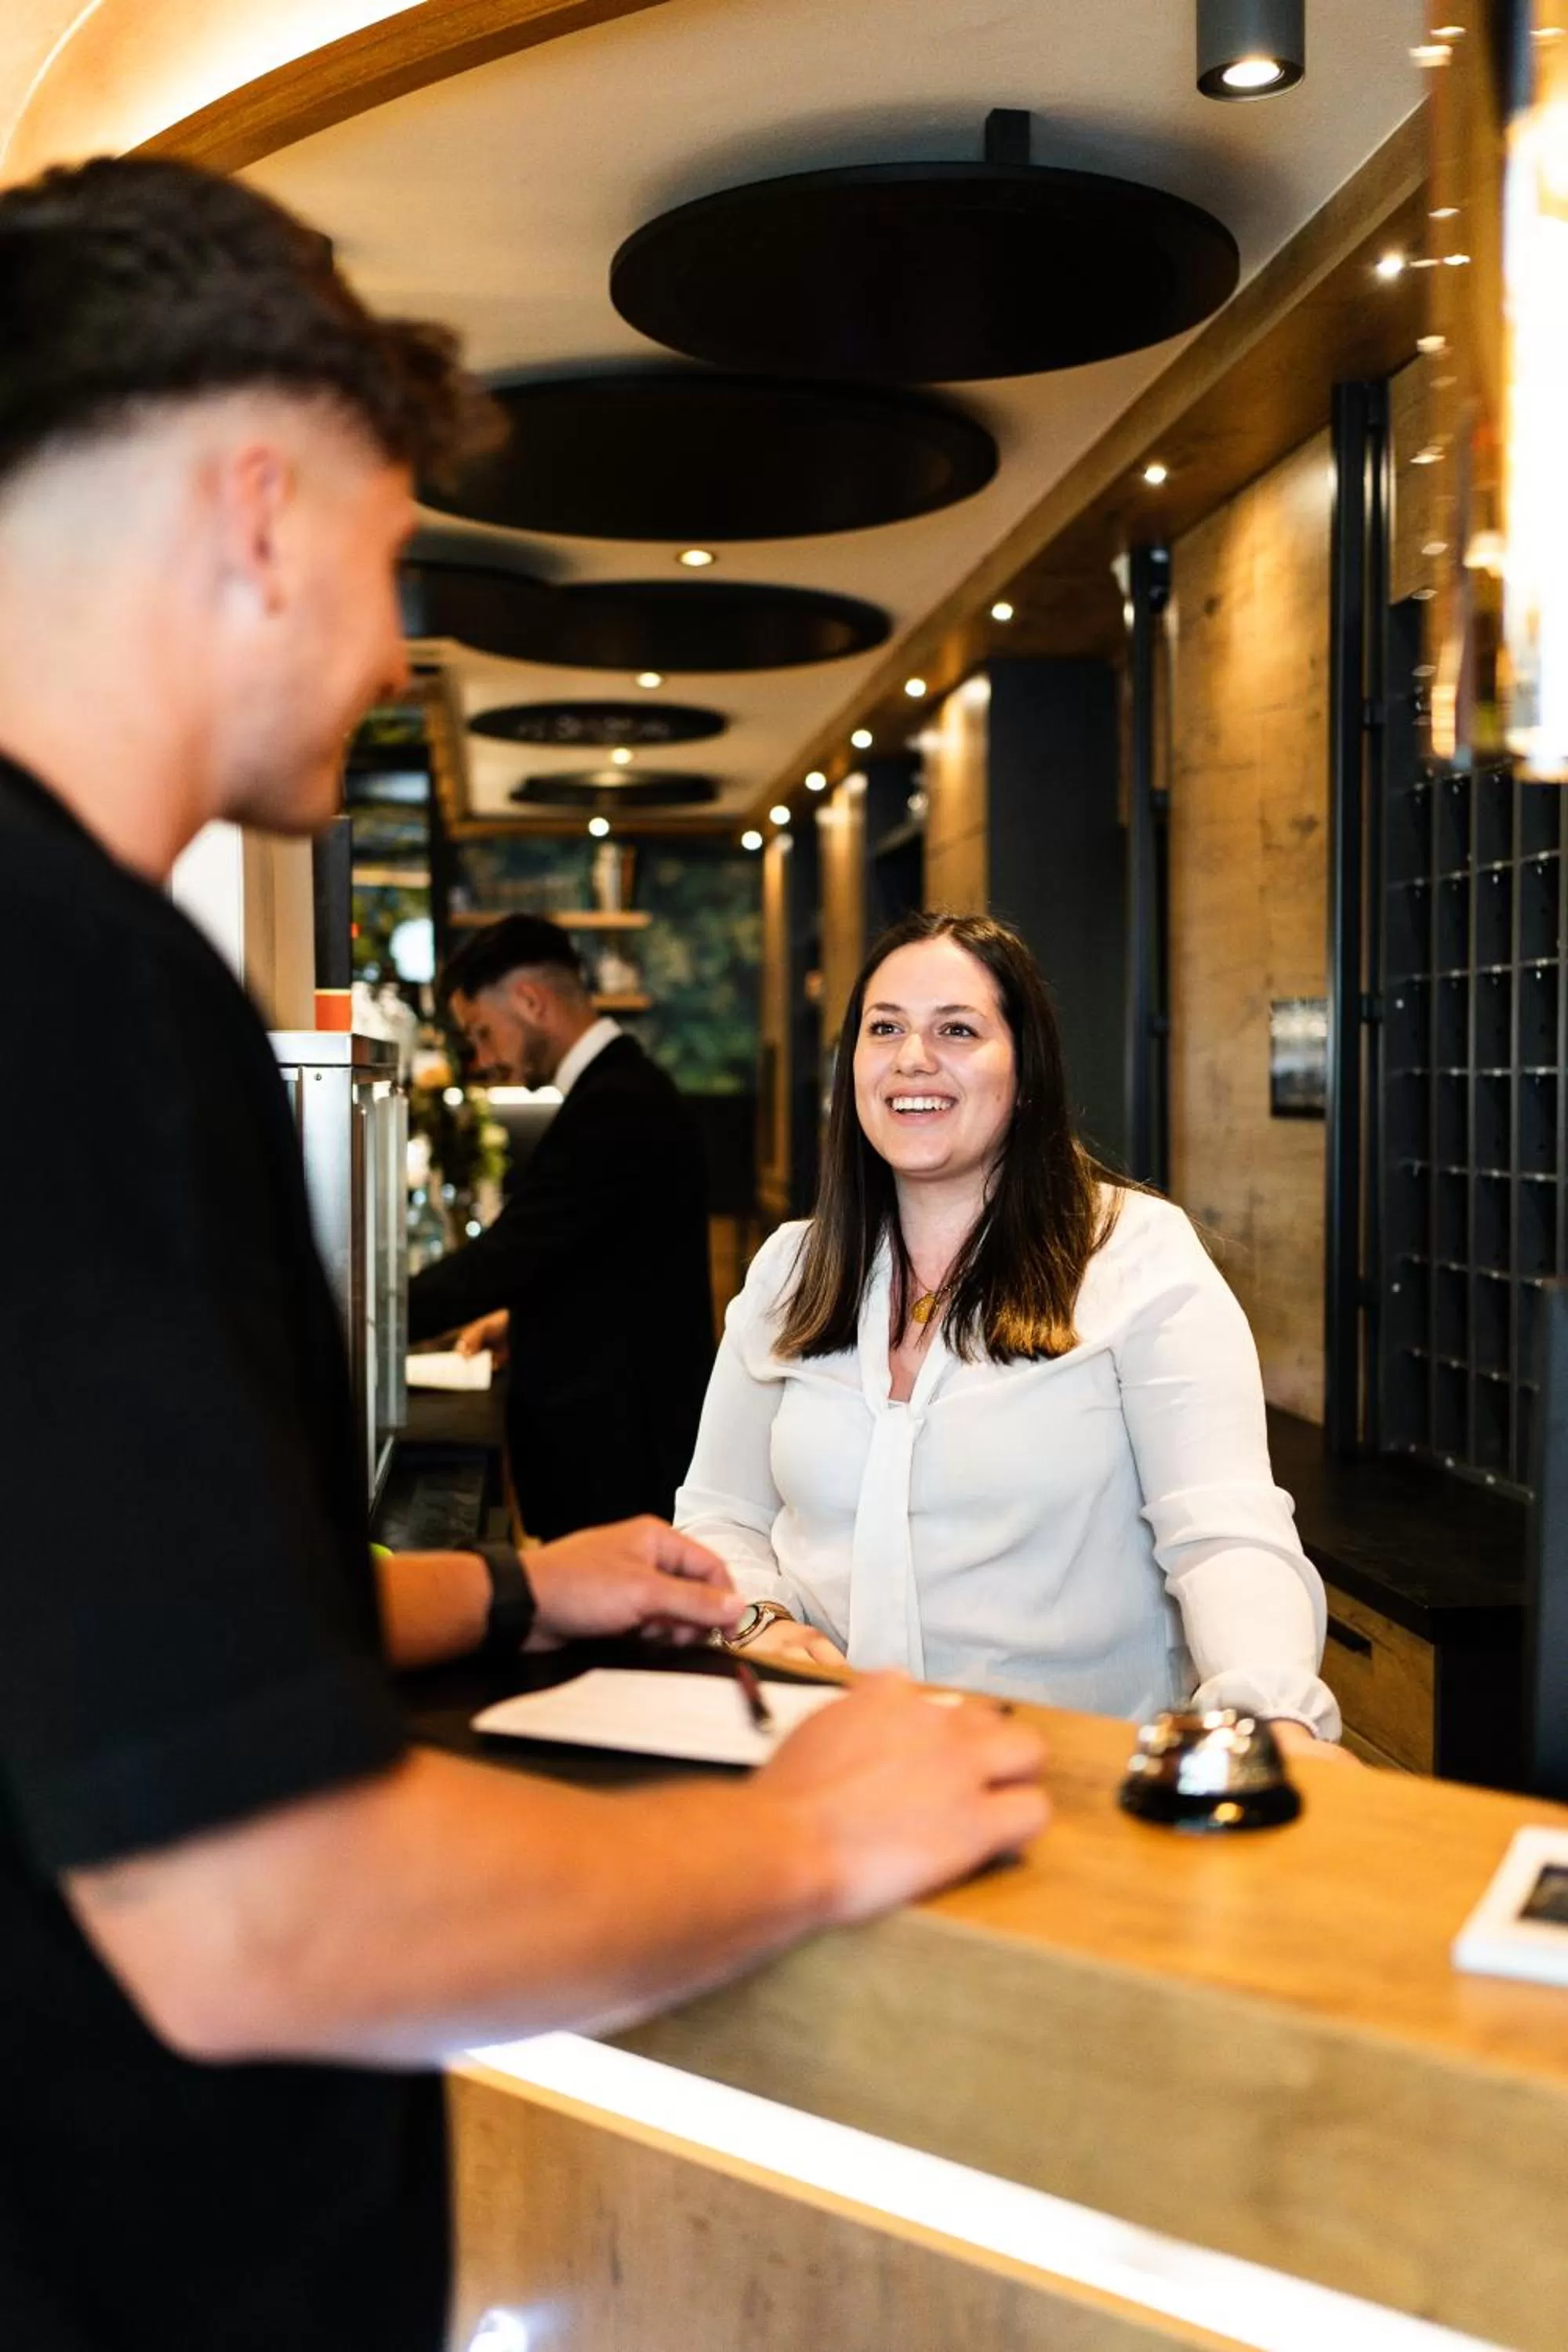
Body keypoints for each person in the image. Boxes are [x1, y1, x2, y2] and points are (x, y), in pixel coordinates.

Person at [0, 160, 1047, 2352]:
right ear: (259, 511)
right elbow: (262, 1917)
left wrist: (509, 1589)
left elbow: (85, 1630)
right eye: (388, 554)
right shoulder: (73, 986)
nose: (392, 648)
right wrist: (810, 1834)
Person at [676, 911, 1342, 1751]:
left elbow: (1221, 1533)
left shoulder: (1134, 1253)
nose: (913, 1057)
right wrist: (755, 1620)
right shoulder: (790, 1268)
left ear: (1026, 1072)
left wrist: (1271, 1715)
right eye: (885, 1028)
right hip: (828, 1762)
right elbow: (720, 1514)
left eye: (956, 1029)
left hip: (1072, 1779)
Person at [408, 916, 715, 1537]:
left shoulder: (615, 1104)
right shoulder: (622, 1090)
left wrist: (369, 1318)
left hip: (621, 1464)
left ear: (530, 1001)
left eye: (482, 1032)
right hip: (619, 1450)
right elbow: (610, 1266)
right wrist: (521, 1319)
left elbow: (507, 1255)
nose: (483, 1059)